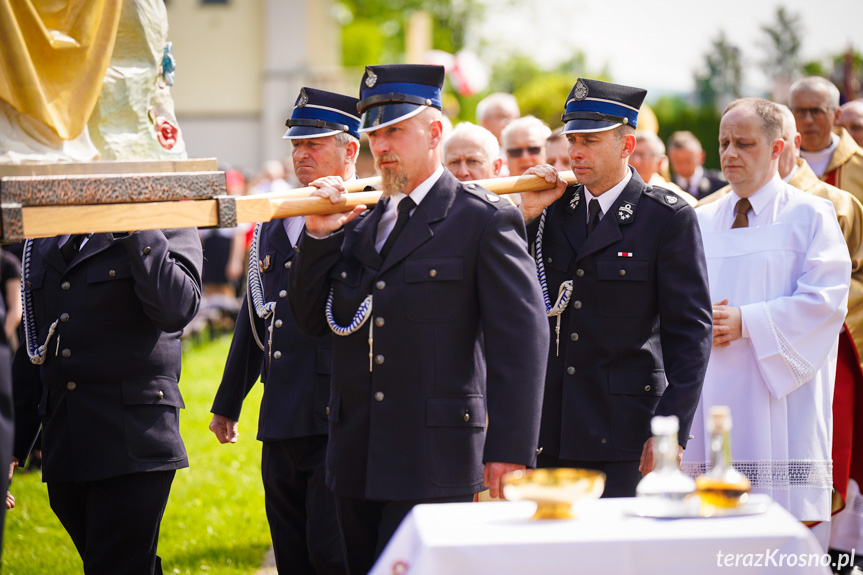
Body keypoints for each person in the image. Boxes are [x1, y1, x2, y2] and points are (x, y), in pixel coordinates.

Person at [288, 64, 548, 575]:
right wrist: (318, 237)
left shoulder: (482, 218)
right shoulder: (363, 220)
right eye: (374, 133)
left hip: (435, 456)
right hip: (356, 453)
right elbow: (313, 321)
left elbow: (522, 338)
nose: (380, 145)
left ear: (434, 132)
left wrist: (510, 449)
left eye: (394, 131)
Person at [518, 78, 712, 498]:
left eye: (589, 140)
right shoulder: (552, 210)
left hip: (625, 431)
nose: (575, 152)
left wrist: (671, 430)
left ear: (627, 146)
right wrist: (525, 218)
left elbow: (691, 333)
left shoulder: (665, 218)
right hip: (551, 427)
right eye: (572, 139)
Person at [682, 98, 850, 547]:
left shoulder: (810, 215)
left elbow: (827, 302)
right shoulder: (699, 220)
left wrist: (747, 322)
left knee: (779, 536)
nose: (730, 153)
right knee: (710, 526)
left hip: (780, 393)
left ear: (778, 148)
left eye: (744, 143)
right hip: (711, 388)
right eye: (723, 143)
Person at [209, 87, 359, 575]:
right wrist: (229, 403)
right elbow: (257, 316)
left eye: (314, 144)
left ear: (350, 149)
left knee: (331, 554)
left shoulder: (370, 218)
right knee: (291, 553)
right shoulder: (275, 222)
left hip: (339, 417)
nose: (301, 154)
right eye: (296, 144)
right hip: (281, 417)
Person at [10, 227, 202, 574]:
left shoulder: (166, 219)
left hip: (134, 439)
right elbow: (33, 344)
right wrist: (9, 447)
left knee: (115, 565)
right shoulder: (42, 234)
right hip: (65, 443)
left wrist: (136, 227)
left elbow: (176, 309)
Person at [789, 77, 863, 200]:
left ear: (837, 115)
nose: (808, 120)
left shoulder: (860, 164)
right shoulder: (777, 164)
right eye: (800, 111)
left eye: (817, 111)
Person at [628, 130, 697, 206]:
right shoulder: (619, 190)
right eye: (632, 155)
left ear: (660, 162)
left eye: (643, 156)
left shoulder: (678, 199)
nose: (636, 161)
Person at [667, 130, 726, 199]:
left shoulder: (720, 185)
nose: (683, 167)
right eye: (677, 162)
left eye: (688, 161)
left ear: (701, 157)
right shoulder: (666, 188)